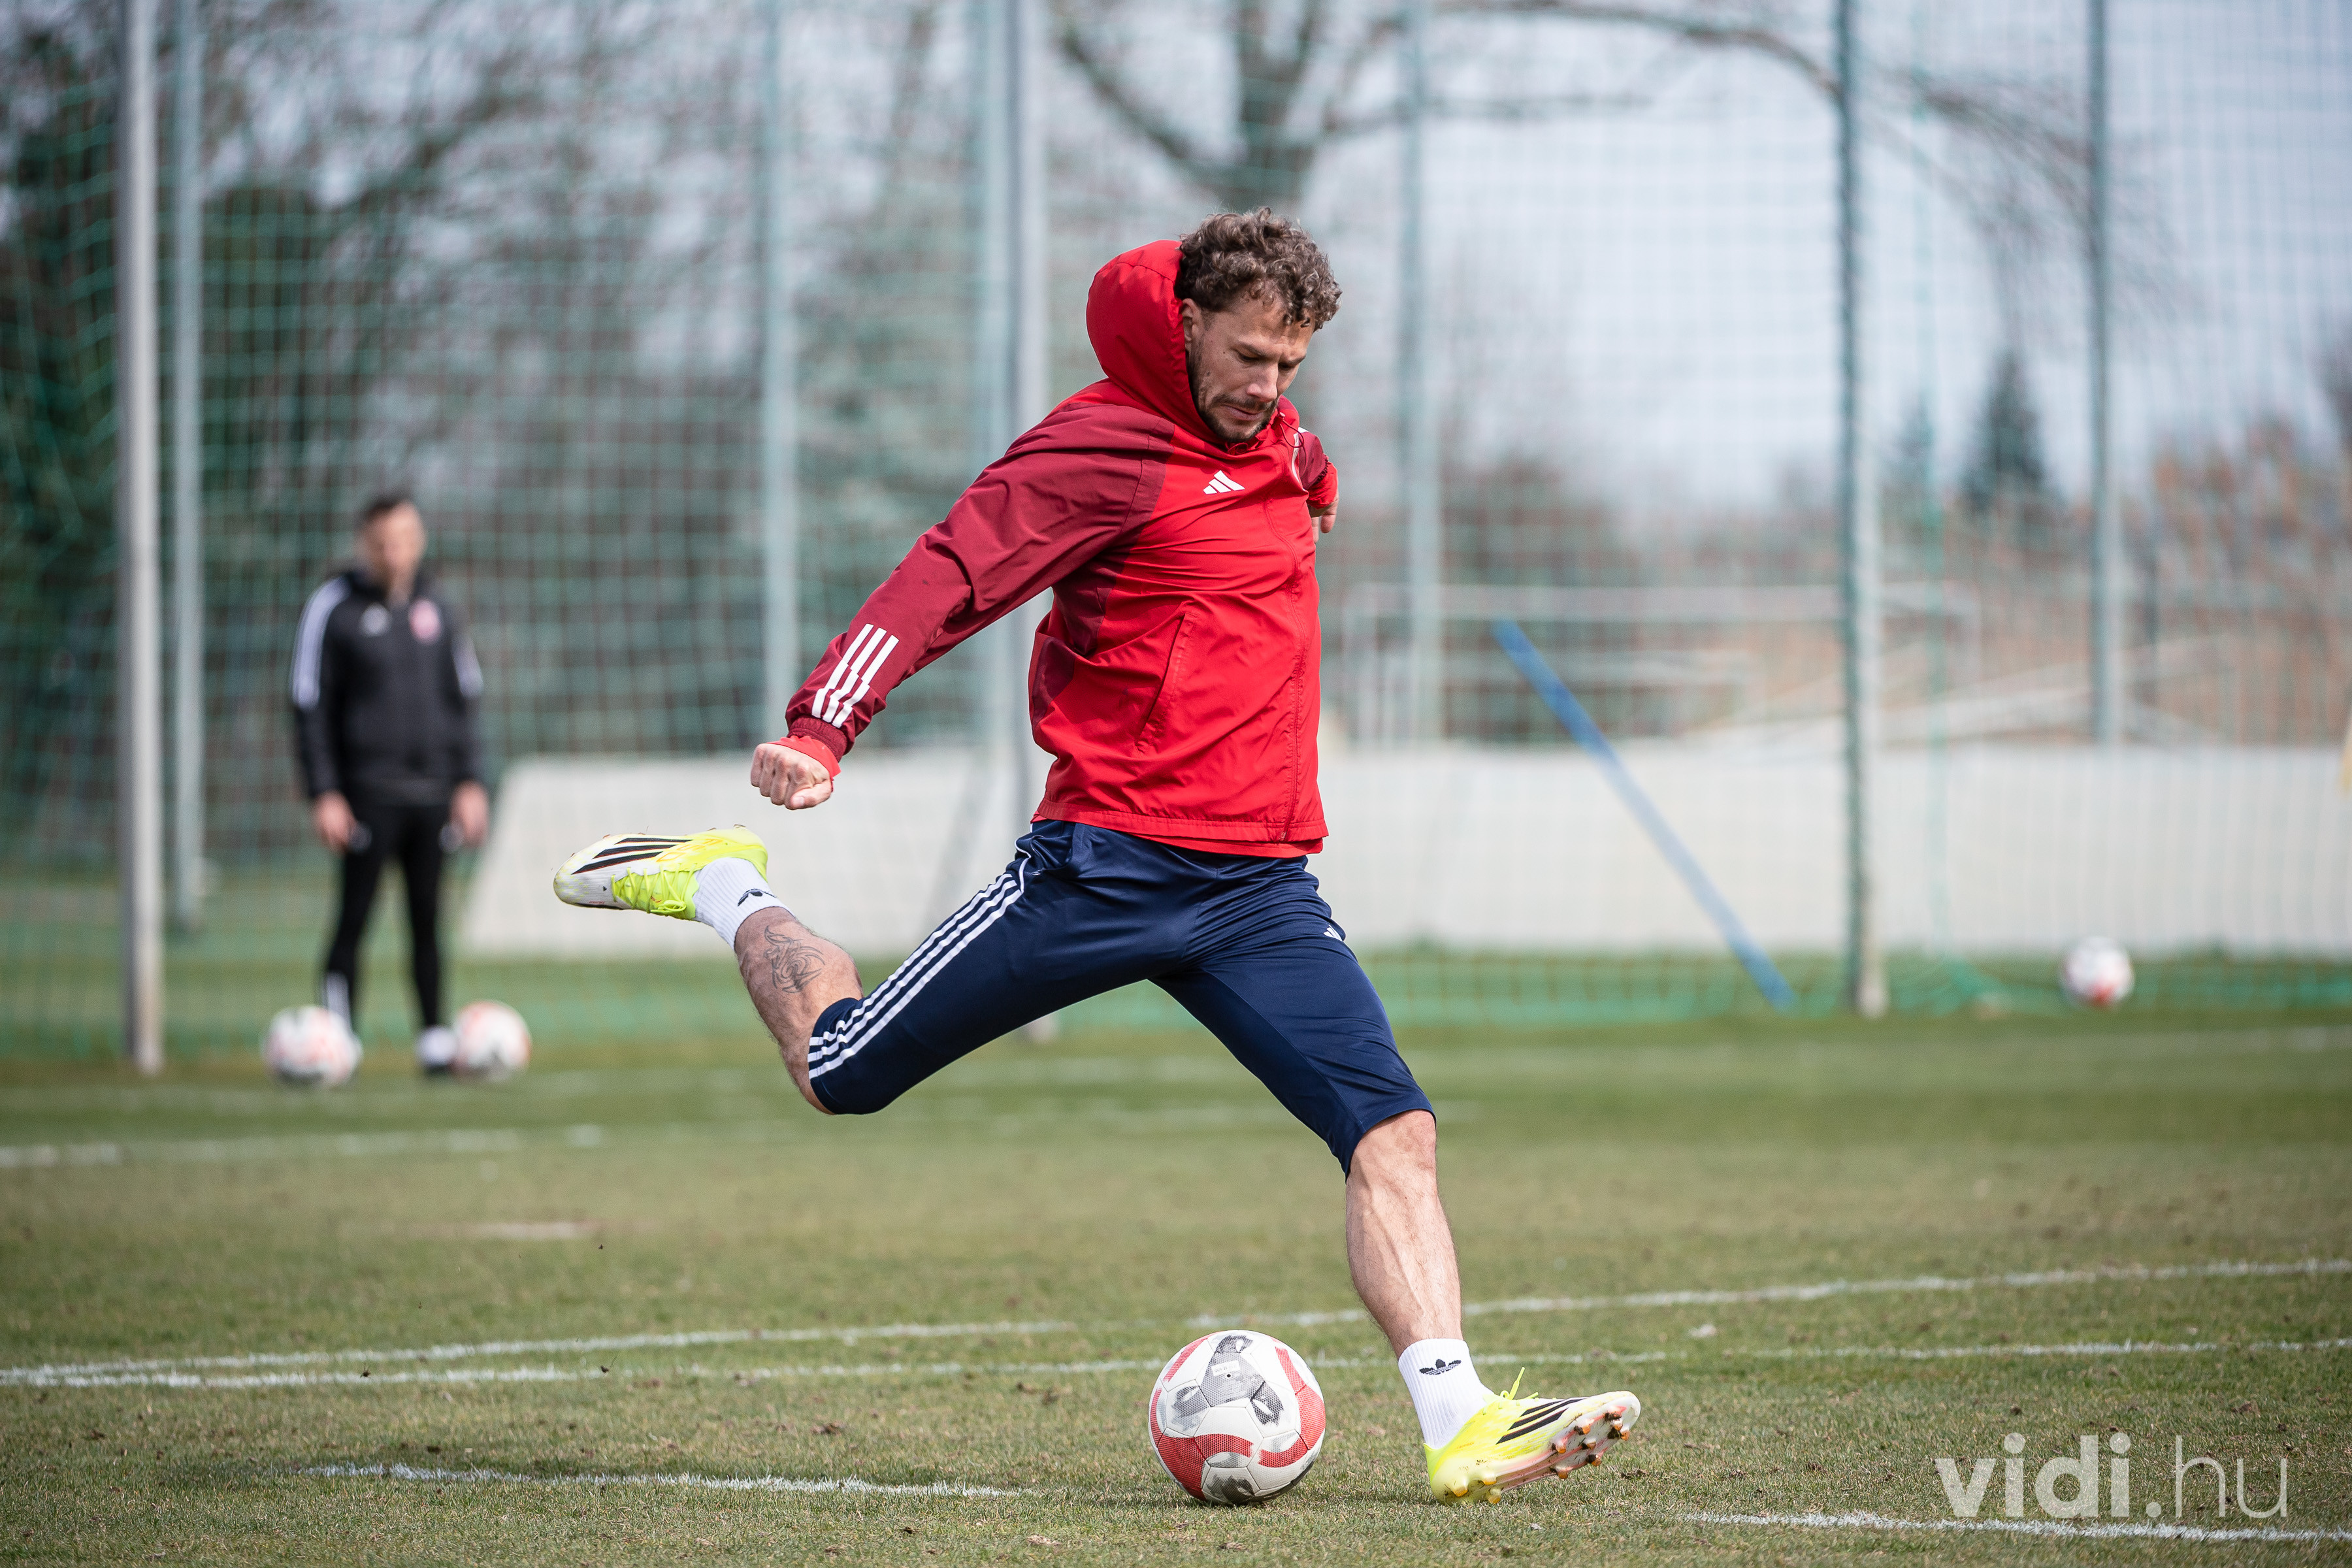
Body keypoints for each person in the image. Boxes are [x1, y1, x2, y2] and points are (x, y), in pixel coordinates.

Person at [551, 212, 1639, 1500]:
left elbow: (1297, 461)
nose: (1268, 388)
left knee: (1393, 1131)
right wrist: (822, 727)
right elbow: (947, 575)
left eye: (1290, 366)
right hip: (1100, 870)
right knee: (839, 1074)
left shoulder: (1279, 441)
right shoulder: (1103, 447)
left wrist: (1319, 480)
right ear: (1184, 326)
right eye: (1247, 357)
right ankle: (722, 883)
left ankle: (1461, 1423)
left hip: (1261, 888)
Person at [291, 494, 490, 1073]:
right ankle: (337, 1043)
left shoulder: (438, 607)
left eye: (403, 540)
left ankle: (434, 1040)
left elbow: (464, 700)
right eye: (381, 542)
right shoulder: (334, 606)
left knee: (427, 919)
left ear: (419, 540)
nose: (393, 553)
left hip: (433, 794)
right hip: (365, 795)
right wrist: (324, 791)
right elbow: (308, 702)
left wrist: (470, 781)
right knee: (354, 917)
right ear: (365, 545)